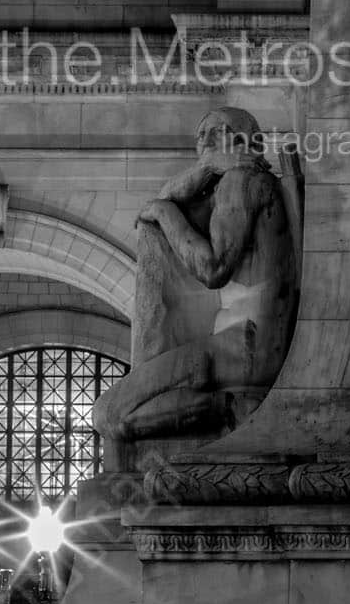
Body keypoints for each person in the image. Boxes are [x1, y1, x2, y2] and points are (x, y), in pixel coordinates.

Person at [92, 107, 298, 450]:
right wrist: (199, 174)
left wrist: (165, 213)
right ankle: (223, 409)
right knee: (111, 414)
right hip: (241, 344)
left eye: (214, 133)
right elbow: (170, 192)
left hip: (245, 347)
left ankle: (230, 410)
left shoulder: (241, 182)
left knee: (110, 413)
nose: (203, 143)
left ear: (241, 140)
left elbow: (213, 269)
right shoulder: (245, 183)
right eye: (199, 136)